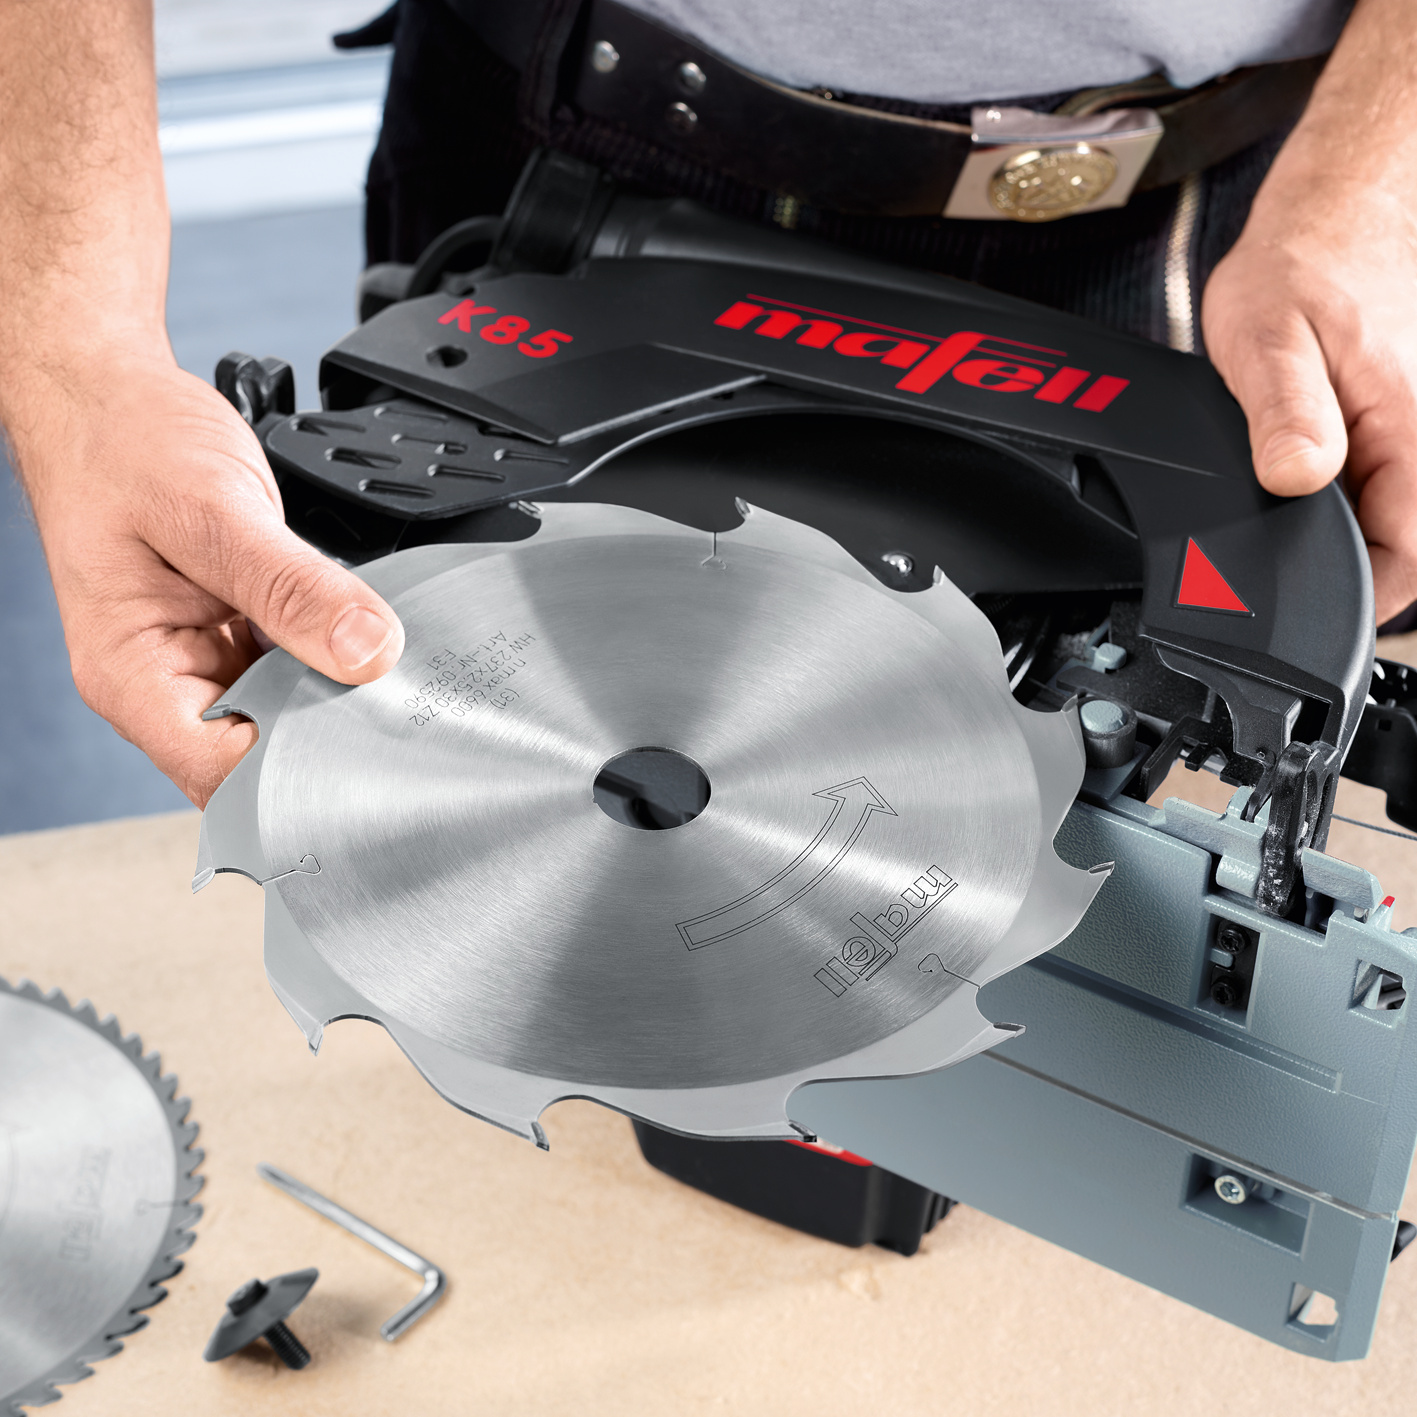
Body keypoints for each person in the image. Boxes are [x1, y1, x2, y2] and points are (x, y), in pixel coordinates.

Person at [1, 0, 1414, 810]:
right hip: (558, 125)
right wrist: (75, 338)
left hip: (1241, 202)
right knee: (463, 809)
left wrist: (1378, 174)